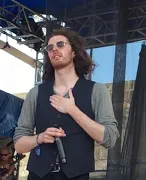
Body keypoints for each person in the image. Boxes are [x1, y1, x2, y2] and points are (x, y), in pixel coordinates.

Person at [13, 28, 120, 180]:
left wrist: (72, 110)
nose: (54, 49)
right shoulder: (35, 93)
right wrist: (40, 138)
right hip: (38, 175)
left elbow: (109, 138)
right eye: (50, 48)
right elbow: (19, 144)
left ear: (74, 51)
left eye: (61, 44)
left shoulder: (97, 90)